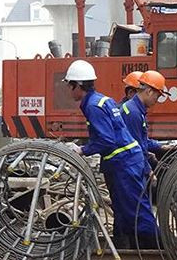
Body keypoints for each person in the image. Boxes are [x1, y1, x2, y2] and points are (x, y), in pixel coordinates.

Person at [63, 59, 158, 249]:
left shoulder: (92, 106)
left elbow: (107, 140)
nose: (68, 90)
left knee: (135, 211)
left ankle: (161, 249)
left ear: (78, 85)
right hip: (126, 162)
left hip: (124, 164)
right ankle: (124, 247)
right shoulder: (102, 99)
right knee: (123, 211)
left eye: (70, 85)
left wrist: (82, 149)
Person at [121, 70, 175, 172]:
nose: (157, 100)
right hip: (128, 168)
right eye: (157, 96)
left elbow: (143, 141)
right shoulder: (133, 113)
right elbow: (137, 147)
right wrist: (148, 170)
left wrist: (160, 146)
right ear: (149, 91)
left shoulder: (136, 109)